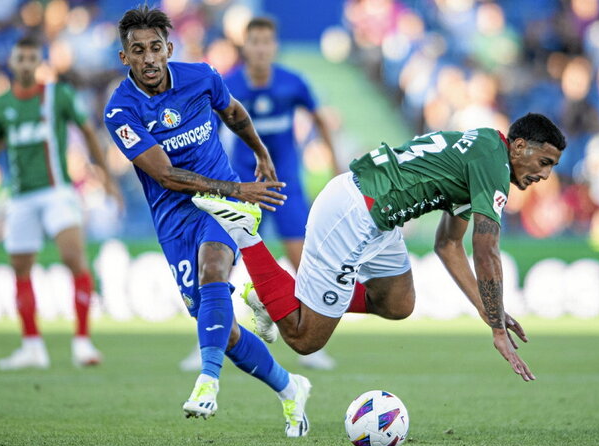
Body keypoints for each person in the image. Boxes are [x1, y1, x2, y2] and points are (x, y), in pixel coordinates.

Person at [193, 113, 566, 382]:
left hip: (381, 219)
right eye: (544, 162)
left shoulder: (485, 152)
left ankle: (279, 296)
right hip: (356, 210)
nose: (545, 175)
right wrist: (499, 328)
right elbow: (485, 251)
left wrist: (489, 312)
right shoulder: (493, 164)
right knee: (305, 339)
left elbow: (449, 244)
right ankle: (247, 236)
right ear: (518, 146)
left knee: (398, 303)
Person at [103, 5, 310, 436]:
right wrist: (238, 190)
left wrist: (261, 153)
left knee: (213, 267)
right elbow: (164, 175)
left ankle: (207, 382)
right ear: (125, 58)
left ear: (169, 48)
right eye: (137, 51)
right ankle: (291, 389)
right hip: (175, 215)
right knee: (223, 331)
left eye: (155, 48)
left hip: (221, 204)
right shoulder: (121, 111)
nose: (149, 59)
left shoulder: (201, 76)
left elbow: (233, 113)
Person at [181, 17, 337, 373]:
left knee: (304, 263)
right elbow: (205, 132)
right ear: (245, 46)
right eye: (255, 42)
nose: (262, 48)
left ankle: (310, 346)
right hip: (243, 188)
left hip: (286, 188)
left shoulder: (292, 83)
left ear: (274, 46)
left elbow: (320, 119)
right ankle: (206, 341)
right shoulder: (228, 84)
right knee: (220, 262)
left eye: (267, 41)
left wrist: (335, 163)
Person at [0, 36, 122, 370]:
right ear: (12, 62)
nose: (25, 64)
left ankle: (82, 340)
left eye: (31, 58)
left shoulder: (57, 95)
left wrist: (107, 179)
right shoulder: (1, 105)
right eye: (20, 58)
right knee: (20, 267)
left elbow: (89, 133)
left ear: (39, 62)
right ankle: (32, 345)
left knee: (73, 257)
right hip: (21, 197)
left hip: (57, 192)